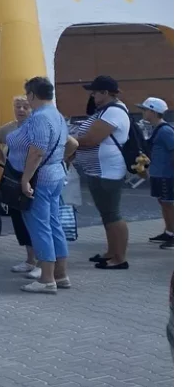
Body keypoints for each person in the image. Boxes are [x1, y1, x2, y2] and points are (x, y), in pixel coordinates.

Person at [6, 77, 75, 294]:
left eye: (27, 95)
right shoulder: (57, 115)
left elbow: (37, 151)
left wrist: (25, 179)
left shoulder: (39, 117)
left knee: (40, 226)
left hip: (40, 178)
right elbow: (70, 143)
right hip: (55, 174)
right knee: (53, 223)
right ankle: (61, 275)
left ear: (32, 95)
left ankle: (46, 279)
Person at [73, 75, 131, 269]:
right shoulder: (106, 110)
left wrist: (69, 140)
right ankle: (111, 252)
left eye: (95, 92)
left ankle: (120, 258)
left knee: (113, 214)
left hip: (108, 171)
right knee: (107, 214)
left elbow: (91, 140)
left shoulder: (113, 111)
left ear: (105, 93)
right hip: (98, 170)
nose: (92, 95)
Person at [0, 96, 38, 274]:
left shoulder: (37, 127)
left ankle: (42, 262)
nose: (21, 110)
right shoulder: (10, 127)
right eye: (18, 106)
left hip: (34, 178)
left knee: (35, 218)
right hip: (15, 177)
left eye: (25, 107)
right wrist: (2, 158)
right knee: (18, 218)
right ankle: (30, 259)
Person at [138, 97, 173, 249]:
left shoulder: (165, 130)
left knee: (169, 204)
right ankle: (169, 232)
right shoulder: (157, 129)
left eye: (145, 110)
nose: (143, 112)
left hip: (167, 174)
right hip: (159, 174)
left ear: (153, 112)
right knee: (164, 203)